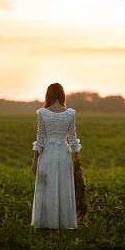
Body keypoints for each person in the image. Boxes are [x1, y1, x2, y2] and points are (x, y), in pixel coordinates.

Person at [31, 83, 81, 231]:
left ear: (48, 95)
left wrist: (35, 161)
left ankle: (47, 225)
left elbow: (40, 139)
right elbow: (72, 140)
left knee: (46, 188)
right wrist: (78, 163)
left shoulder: (42, 113)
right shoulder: (70, 114)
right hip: (63, 154)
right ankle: (63, 225)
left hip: (47, 154)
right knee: (63, 188)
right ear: (62, 95)